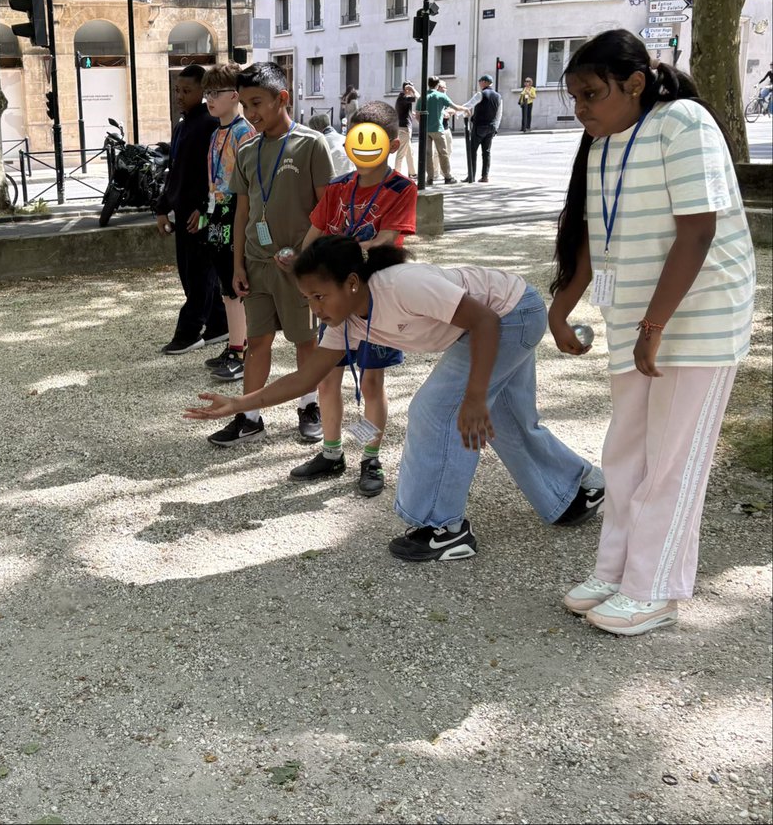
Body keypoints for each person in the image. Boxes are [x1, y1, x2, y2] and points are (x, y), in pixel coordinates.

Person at [187, 234, 604, 562]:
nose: (314, 309)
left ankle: (445, 530)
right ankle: (579, 487)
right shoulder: (344, 320)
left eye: (319, 296)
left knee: (437, 411)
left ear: (352, 283)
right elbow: (306, 377)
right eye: (307, 299)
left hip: (511, 316)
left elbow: (485, 320)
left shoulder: (403, 286)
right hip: (484, 326)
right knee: (506, 421)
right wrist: (241, 404)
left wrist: (475, 396)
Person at [548, 29, 756, 636]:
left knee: (672, 458)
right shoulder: (605, 141)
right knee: (626, 451)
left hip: (696, 320)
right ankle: (617, 571)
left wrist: (654, 325)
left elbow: (697, 233)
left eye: (590, 94)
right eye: (575, 97)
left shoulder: (683, 123)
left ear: (634, 83)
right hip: (638, 321)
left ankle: (656, 586)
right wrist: (561, 309)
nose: (580, 108)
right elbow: (591, 238)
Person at [288, 101, 416, 496]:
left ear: (391, 145)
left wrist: (347, 248)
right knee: (328, 379)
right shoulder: (338, 188)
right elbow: (313, 234)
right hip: (334, 300)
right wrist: (298, 264)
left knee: (372, 383)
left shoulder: (401, 189)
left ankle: (370, 459)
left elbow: (389, 239)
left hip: (372, 300)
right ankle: (331, 453)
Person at [206, 61, 334, 447]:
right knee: (257, 340)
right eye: (244, 104)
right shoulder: (248, 149)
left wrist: (305, 255)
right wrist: (237, 265)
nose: (251, 113)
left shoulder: (310, 144)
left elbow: (326, 208)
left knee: (304, 340)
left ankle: (309, 407)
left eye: (257, 102)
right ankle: (250, 416)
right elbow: (243, 210)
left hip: (299, 268)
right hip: (258, 265)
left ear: (283, 98)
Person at [154, 64, 228, 355]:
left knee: (199, 273)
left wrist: (204, 208)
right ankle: (219, 323)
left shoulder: (211, 125)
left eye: (186, 91)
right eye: (177, 90)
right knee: (189, 272)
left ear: (203, 92)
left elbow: (217, 174)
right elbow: (174, 172)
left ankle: (189, 330)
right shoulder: (182, 126)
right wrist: (161, 208)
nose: (180, 96)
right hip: (183, 212)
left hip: (201, 213)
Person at [200, 62, 258, 382]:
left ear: (234, 95)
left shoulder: (242, 131)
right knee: (226, 285)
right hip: (218, 212)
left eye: (216, 92)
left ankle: (242, 349)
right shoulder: (218, 132)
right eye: (207, 92)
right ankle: (236, 344)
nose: (209, 98)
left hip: (235, 212)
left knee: (235, 285)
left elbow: (249, 183)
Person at [462, 75, 502, 183]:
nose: (479, 83)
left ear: (484, 82)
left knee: (472, 151)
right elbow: (499, 114)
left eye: (480, 81)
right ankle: (485, 176)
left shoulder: (481, 94)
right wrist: (496, 128)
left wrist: (457, 111)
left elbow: (469, 105)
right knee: (486, 152)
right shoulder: (498, 96)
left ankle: (471, 175)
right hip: (491, 127)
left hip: (479, 126)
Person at [424, 77, 460, 185]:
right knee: (439, 153)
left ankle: (433, 176)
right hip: (439, 129)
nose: (445, 89)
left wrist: (448, 112)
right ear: (438, 86)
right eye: (444, 87)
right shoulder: (439, 96)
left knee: (443, 152)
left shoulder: (438, 97)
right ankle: (441, 175)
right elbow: (455, 107)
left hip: (443, 129)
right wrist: (465, 109)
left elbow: (452, 109)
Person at [309, 113, 355, 177]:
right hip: (351, 178)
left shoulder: (319, 143)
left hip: (334, 181)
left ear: (316, 129)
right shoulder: (344, 138)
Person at [394, 82, 418, 179]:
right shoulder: (404, 98)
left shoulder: (401, 98)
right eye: (410, 89)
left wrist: (411, 113)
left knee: (409, 152)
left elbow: (403, 111)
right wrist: (413, 89)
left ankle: (412, 173)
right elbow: (419, 97)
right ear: (406, 89)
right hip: (404, 129)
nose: (412, 91)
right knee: (401, 153)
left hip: (403, 127)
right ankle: (396, 175)